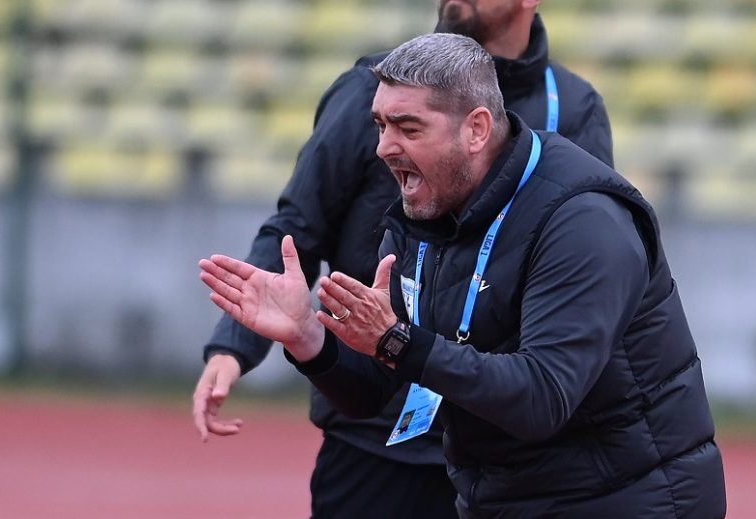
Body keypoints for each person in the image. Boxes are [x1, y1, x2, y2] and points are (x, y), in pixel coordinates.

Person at [199, 32, 726, 518]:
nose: (383, 148)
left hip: (630, 500)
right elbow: (376, 392)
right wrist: (309, 339)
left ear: (476, 129)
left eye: (408, 128)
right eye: (380, 125)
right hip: (510, 497)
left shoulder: (583, 220)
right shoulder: (422, 211)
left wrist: (397, 341)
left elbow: (542, 398)